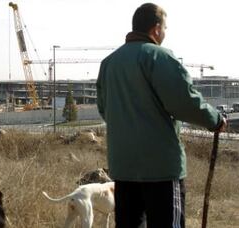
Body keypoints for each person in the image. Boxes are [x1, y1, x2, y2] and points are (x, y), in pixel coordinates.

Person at [96, 3, 227, 228]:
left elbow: (104, 109)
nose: (165, 32)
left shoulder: (109, 63)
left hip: (124, 167)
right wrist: (214, 120)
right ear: (156, 29)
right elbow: (185, 102)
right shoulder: (159, 57)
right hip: (161, 170)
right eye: (165, 27)